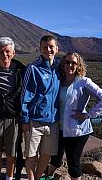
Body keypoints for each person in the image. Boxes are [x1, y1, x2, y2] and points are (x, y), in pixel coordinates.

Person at [47, 52, 102, 180]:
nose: (70, 65)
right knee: (55, 157)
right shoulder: (59, 80)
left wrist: (89, 115)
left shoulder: (84, 82)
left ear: (78, 65)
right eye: (67, 62)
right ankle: (48, 177)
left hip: (78, 131)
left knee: (73, 161)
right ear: (63, 63)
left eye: (74, 63)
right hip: (59, 127)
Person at [0, 37, 25, 180]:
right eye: (1, 52)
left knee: (11, 152)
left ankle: (9, 177)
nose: (5, 55)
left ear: (13, 53)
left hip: (13, 118)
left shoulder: (21, 70)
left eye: (8, 51)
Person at [21, 35, 60, 180]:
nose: (48, 49)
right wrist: (24, 119)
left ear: (57, 49)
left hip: (53, 121)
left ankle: (37, 177)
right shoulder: (33, 68)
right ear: (40, 48)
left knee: (46, 154)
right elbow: (25, 96)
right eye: (45, 47)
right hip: (34, 120)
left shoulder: (59, 68)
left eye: (51, 46)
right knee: (31, 154)